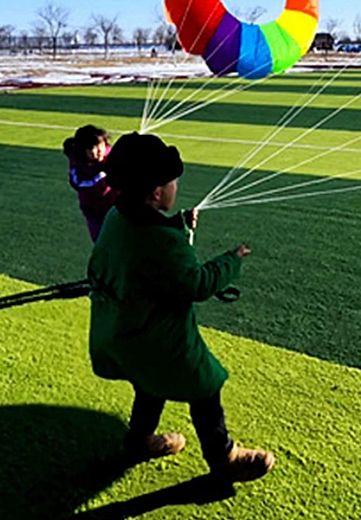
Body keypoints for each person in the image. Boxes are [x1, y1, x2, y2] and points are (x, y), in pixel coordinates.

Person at [87, 131, 274, 481]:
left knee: (149, 384)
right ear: (156, 192)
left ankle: (139, 440)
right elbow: (196, 283)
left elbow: (147, 252)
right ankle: (224, 456)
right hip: (156, 336)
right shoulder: (160, 240)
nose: (176, 186)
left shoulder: (117, 217)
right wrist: (231, 260)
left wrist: (178, 225)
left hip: (120, 330)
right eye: (172, 181)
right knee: (204, 386)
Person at [63, 124, 119, 241]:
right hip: (95, 213)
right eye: (92, 148)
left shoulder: (114, 156)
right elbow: (81, 184)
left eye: (101, 145)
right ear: (83, 150)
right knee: (102, 243)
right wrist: (104, 173)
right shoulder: (79, 167)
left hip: (117, 207)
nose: (99, 151)